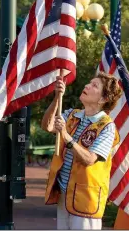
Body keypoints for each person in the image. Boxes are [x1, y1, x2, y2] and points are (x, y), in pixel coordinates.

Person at [41, 72, 122, 230]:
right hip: (65, 194)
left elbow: (90, 159)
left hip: (86, 200)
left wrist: (65, 135)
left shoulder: (107, 126)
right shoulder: (73, 115)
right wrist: (57, 98)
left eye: (94, 85)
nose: (87, 86)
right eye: (89, 82)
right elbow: (47, 125)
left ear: (103, 99)